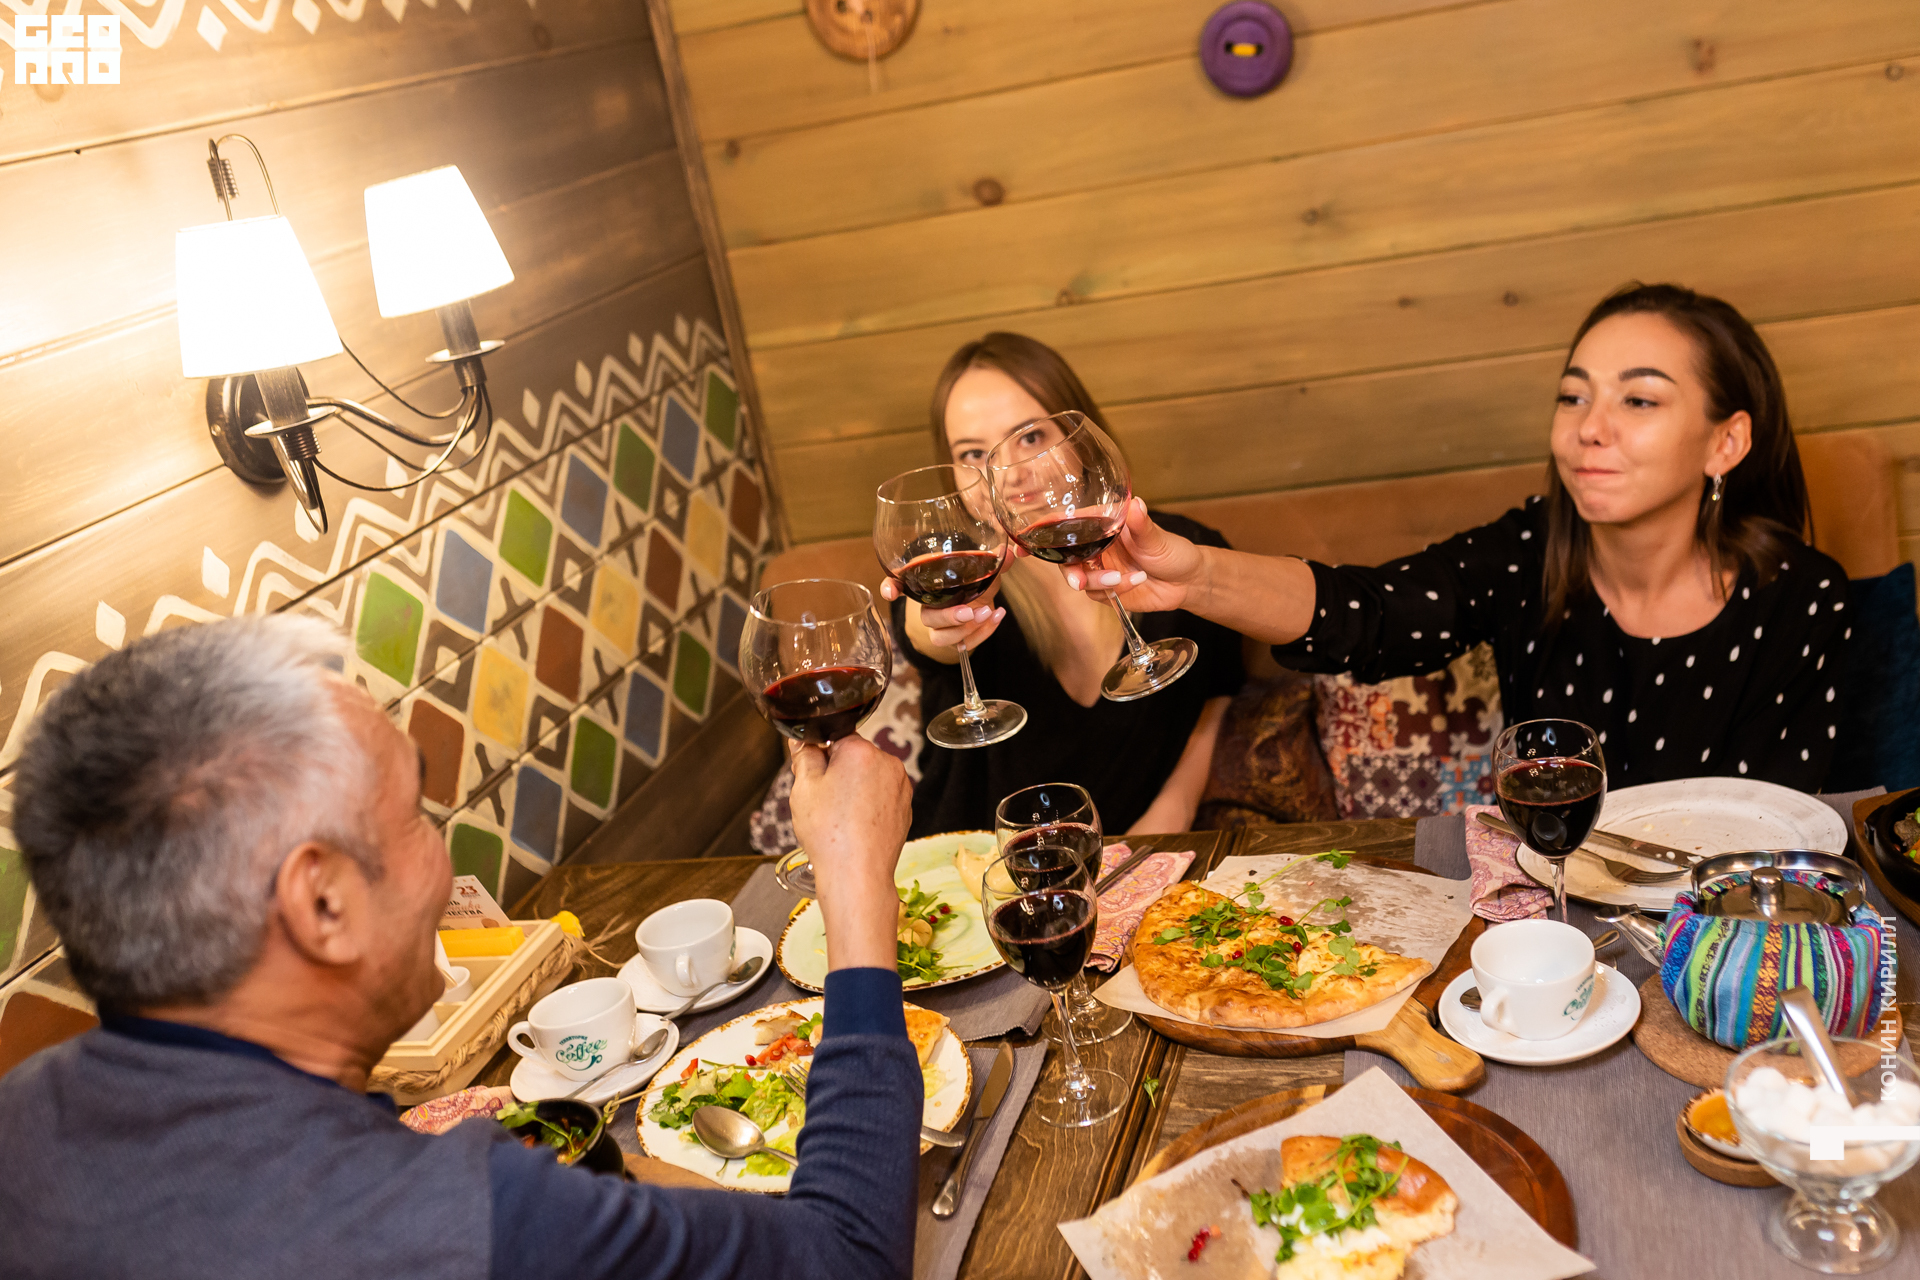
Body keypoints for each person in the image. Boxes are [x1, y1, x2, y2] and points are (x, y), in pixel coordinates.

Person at [0, 616, 920, 1280]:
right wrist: (852, 881)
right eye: (414, 814)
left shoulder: (21, 1116)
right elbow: (847, 1256)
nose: (441, 860)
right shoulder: (466, 1217)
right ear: (322, 903)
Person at [1049, 284, 1849, 790]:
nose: (1589, 429)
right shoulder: (1530, 551)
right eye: (1573, 397)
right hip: (1553, 931)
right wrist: (1195, 580)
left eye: (1639, 401)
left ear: (1725, 443)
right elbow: (1365, 613)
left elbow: (1788, 827)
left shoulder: (1804, 598)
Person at [885, 332, 1245, 836]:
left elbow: (1218, 692)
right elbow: (925, 634)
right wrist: (943, 621)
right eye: (973, 453)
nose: (1006, 473)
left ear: (1080, 437)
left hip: (1146, 857)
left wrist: (1175, 807)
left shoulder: (1182, 550)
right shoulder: (954, 566)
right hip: (971, 861)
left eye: (1031, 437)